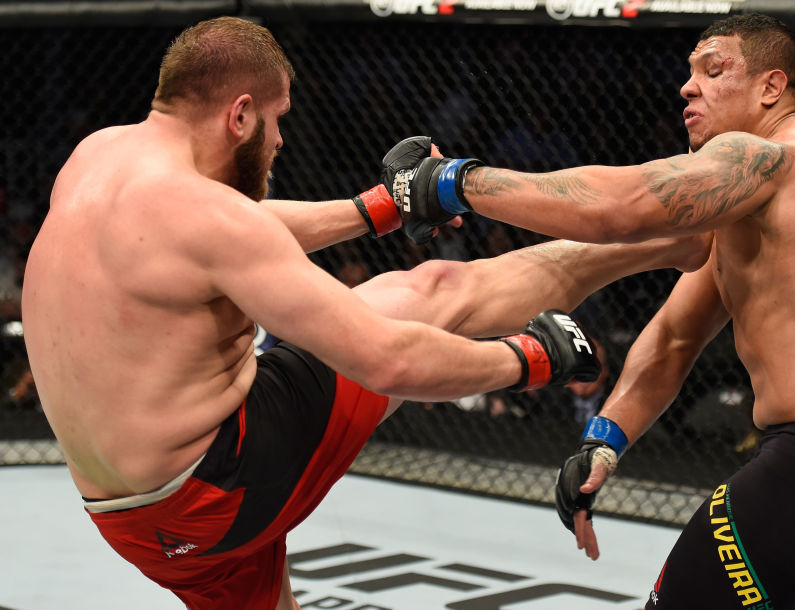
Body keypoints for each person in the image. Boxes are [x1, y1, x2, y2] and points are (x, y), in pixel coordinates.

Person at [20, 17, 713, 610]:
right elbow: (387, 359)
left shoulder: (97, 159)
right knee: (432, 292)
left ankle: (664, 246)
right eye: (277, 119)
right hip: (213, 492)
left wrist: (372, 211)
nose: (282, 141)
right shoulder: (207, 219)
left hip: (133, 520)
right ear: (239, 115)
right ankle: (668, 242)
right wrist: (532, 357)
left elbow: (233, 227)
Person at [383, 13, 795, 609]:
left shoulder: (775, 155)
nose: (688, 87)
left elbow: (623, 206)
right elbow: (674, 338)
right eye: (689, 72)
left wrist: (454, 180)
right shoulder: (757, 208)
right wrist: (603, 441)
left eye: (714, 70)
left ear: (771, 87)